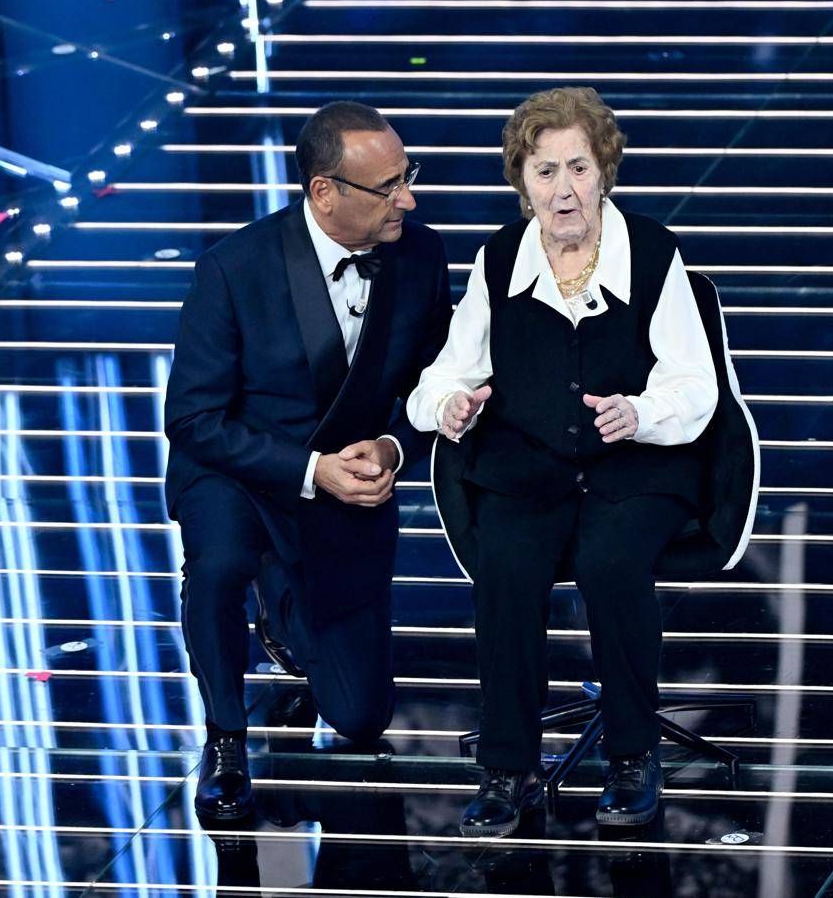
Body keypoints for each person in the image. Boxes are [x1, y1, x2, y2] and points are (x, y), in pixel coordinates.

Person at [407, 87, 719, 836]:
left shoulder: (653, 252)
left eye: (578, 167)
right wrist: (447, 406)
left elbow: (695, 382)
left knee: (613, 564)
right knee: (506, 570)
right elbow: (442, 376)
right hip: (530, 465)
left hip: (634, 464)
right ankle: (507, 768)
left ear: (603, 171)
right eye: (545, 171)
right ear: (523, 183)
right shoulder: (498, 260)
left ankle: (632, 756)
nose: (564, 189)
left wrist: (641, 412)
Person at [164, 100, 452, 820]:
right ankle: (226, 735)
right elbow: (192, 419)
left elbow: (438, 383)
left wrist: (393, 446)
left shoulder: (420, 256)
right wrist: (308, 470)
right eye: (388, 187)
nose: (408, 200)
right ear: (324, 191)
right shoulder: (234, 267)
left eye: (408, 176)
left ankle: (284, 616)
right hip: (241, 467)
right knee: (219, 566)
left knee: (360, 717)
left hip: (346, 481)